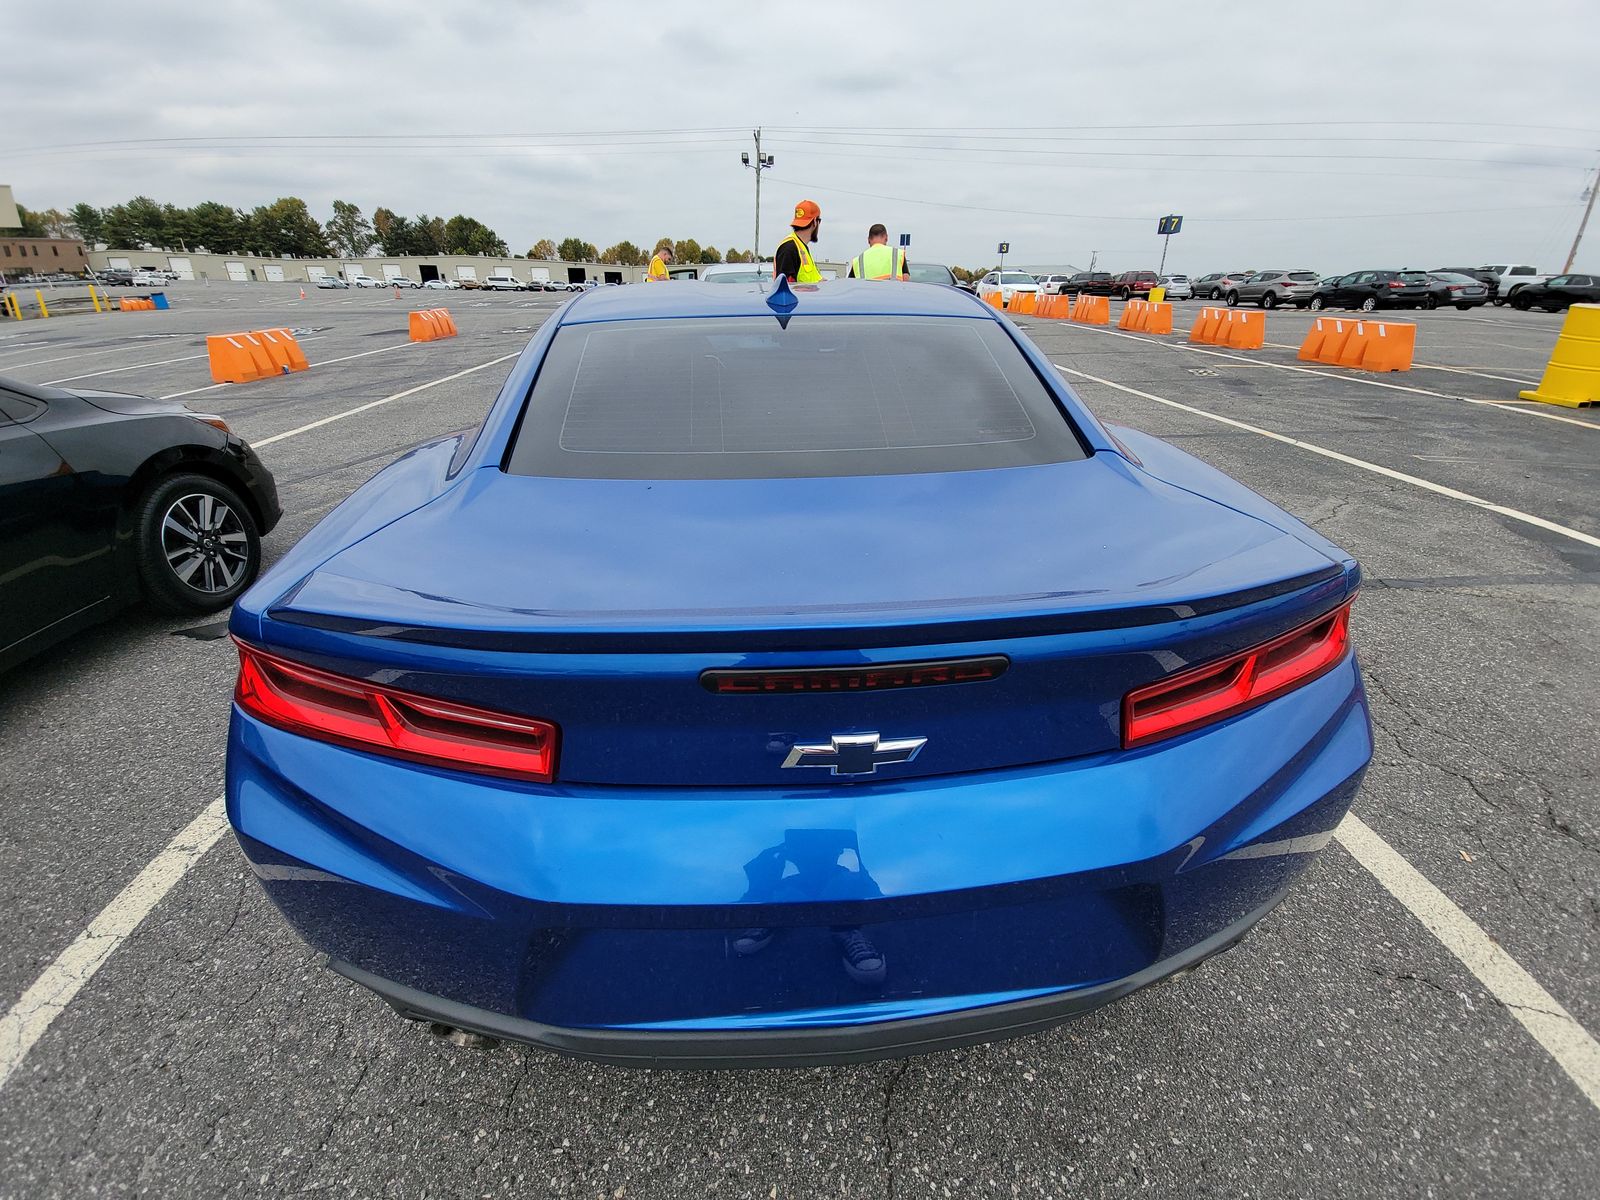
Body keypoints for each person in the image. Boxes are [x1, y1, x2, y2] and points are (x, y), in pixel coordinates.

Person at [773, 200, 823, 284]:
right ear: (815, 221)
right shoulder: (789, 249)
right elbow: (786, 291)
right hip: (803, 298)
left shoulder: (800, 247)